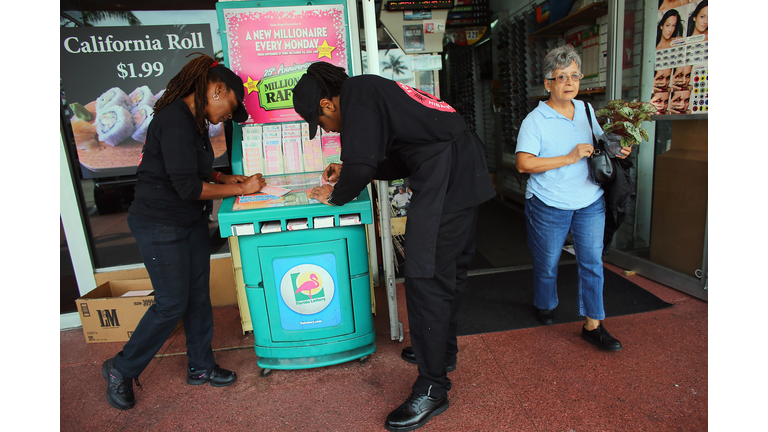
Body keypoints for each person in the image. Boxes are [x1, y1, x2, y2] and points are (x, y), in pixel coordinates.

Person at [292, 61, 495, 432]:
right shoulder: (370, 91)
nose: (326, 130)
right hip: (460, 169)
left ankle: (433, 387)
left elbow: (363, 164)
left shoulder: (358, 96)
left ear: (326, 105)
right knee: (446, 271)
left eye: (320, 124)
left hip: (447, 178)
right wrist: (348, 169)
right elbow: (396, 157)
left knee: (426, 277)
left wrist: (334, 195)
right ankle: (441, 352)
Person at [102, 53, 266, 410]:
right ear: (217, 90)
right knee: (171, 303)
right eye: (229, 107)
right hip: (160, 224)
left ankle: (201, 366)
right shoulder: (175, 120)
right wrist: (241, 190)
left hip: (187, 220)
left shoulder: (192, 121)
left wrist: (224, 177)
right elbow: (187, 187)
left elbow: (192, 171)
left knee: (195, 296)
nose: (226, 116)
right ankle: (121, 368)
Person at [515, 45, 632, 351]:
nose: (569, 82)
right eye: (561, 76)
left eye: (574, 75)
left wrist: (616, 149)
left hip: (589, 200)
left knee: (592, 262)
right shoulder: (535, 121)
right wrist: (568, 158)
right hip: (548, 203)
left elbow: (598, 142)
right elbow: (524, 163)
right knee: (547, 263)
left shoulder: (586, 110)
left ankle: (594, 324)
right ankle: (545, 302)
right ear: (548, 83)